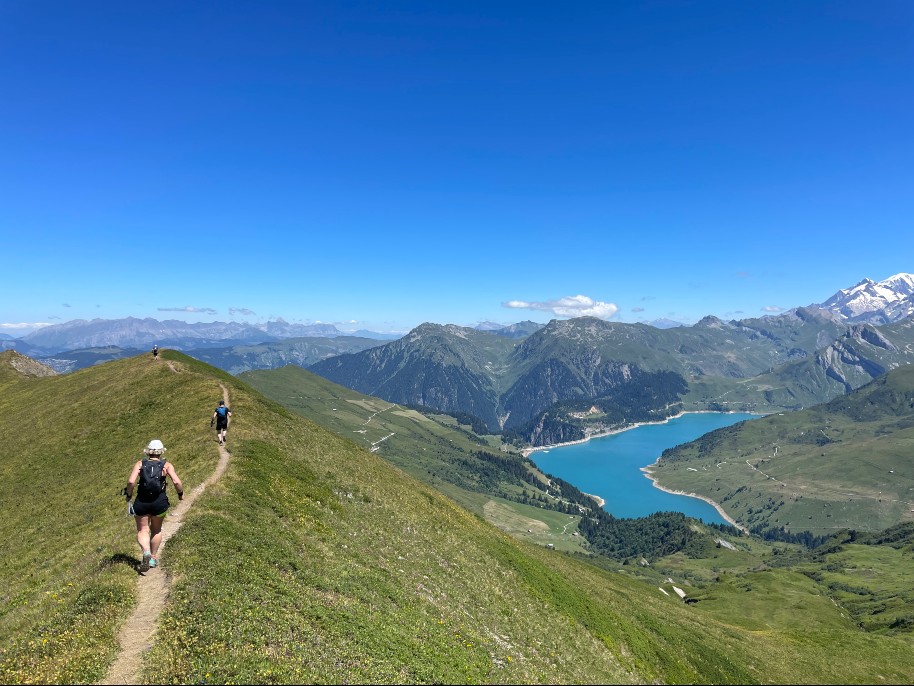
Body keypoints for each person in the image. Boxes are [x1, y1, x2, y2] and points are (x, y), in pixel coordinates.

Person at [123, 439, 183, 572]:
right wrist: (180, 494)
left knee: (142, 530)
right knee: (156, 529)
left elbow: (131, 481)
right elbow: (177, 482)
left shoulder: (140, 464)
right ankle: (153, 558)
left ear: (148, 451)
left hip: (141, 503)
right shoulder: (166, 465)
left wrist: (128, 495)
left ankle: (146, 553)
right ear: (161, 452)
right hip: (159, 503)